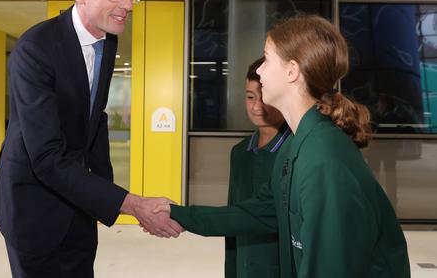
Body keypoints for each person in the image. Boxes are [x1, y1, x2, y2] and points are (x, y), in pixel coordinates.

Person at [155, 15, 410, 278]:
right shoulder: (298, 146)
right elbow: (258, 212)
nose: (260, 71)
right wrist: (179, 214)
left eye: (266, 59)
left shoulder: (323, 158)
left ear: (292, 71)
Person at [0, 0, 183, 278]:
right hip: (33, 202)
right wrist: (130, 204)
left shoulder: (108, 40)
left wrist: (102, 193)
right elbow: (47, 158)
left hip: (78, 197)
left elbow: (95, 118)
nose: (127, 4)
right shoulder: (35, 49)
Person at [224, 57, 288, 278]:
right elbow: (233, 220)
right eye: (250, 97)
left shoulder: (296, 150)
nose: (256, 106)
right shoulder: (239, 153)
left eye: (265, 98)